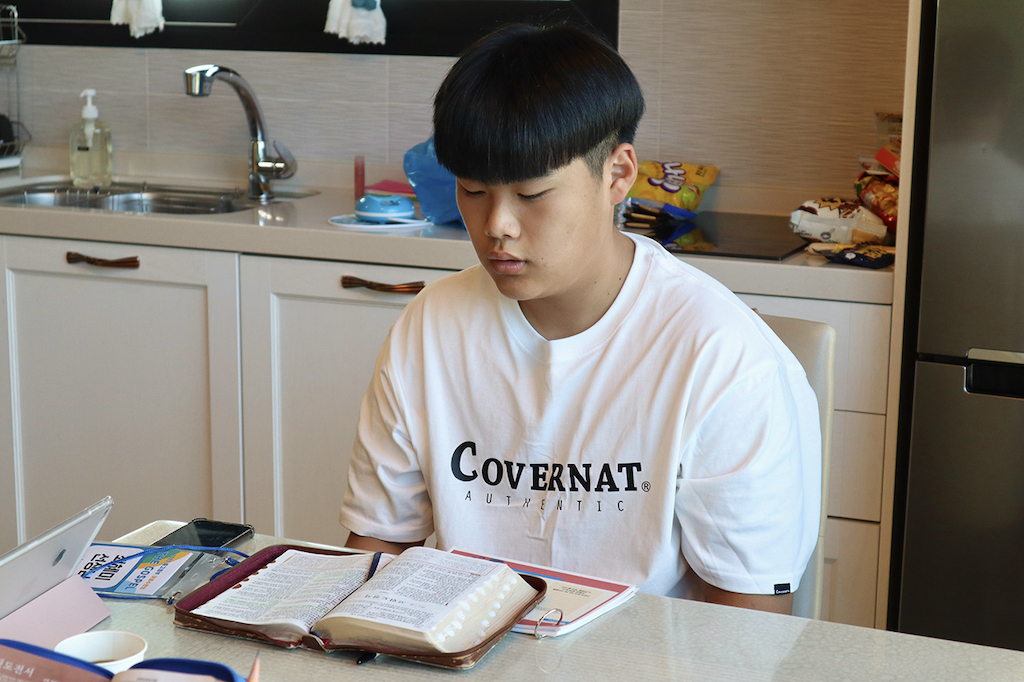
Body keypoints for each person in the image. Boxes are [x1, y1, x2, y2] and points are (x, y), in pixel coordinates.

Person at [340, 21, 821, 614]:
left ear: (618, 175)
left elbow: (748, 627)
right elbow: (379, 547)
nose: (497, 226)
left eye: (532, 194)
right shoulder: (431, 324)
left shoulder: (721, 354)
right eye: (473, 190)